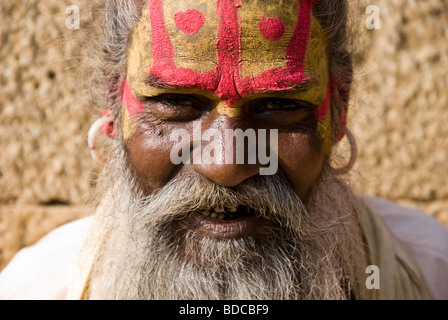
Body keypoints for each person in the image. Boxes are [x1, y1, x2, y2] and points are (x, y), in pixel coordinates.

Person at [1, 0, 447, 300]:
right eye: (175, 102)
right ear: (112, 104)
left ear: (338, 109)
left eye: (279, 105)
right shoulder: (34, 289)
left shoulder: (434, 275)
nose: (227, 164)